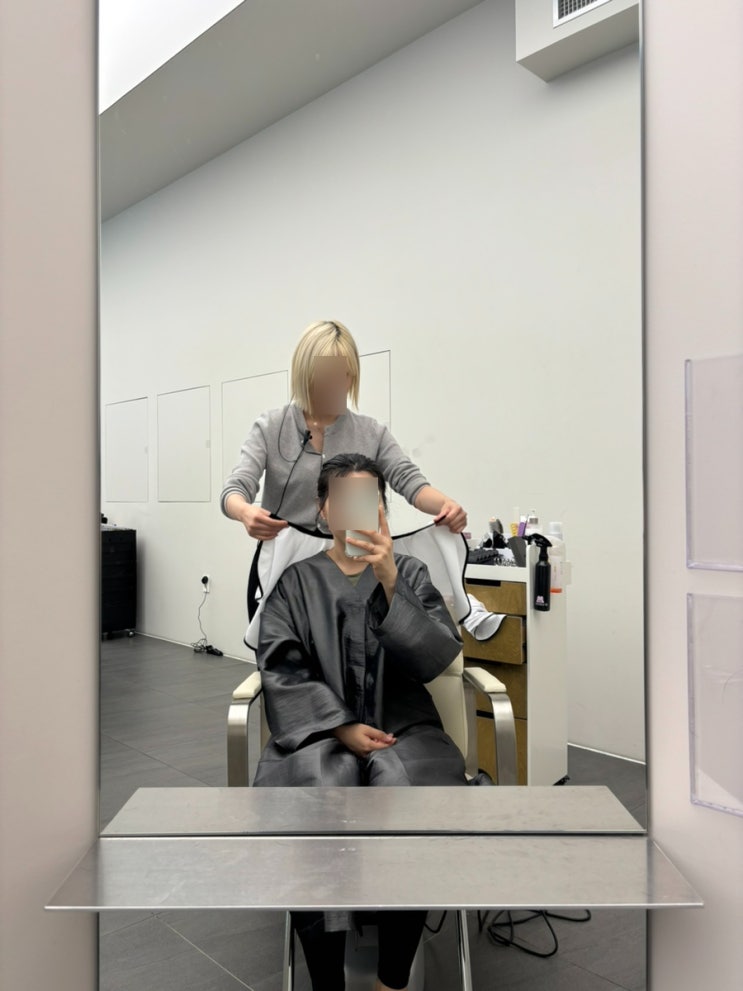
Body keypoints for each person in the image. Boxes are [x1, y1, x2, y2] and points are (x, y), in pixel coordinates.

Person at [253, 453, 468, 991]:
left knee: (407, 790)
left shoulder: (410, 573)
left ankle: (392, 978)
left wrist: (390, 580)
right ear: (324, 510)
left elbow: (435, 657)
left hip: (403, 725)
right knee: (319, 791)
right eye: (344, 500)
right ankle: (326, 979)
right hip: (318, 730)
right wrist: (340, 726)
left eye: (369, 500)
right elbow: (281, 666)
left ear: (381, 509)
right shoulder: (297, 583)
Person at [220, 319, 467, 540]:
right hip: (285, 562)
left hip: (352, 563)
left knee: (357, 486)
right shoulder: (270, 427)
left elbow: (409, 480)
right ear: (305, 374)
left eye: (344, 375)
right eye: (325, 376)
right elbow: (236, 488)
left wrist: (446, 505)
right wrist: (245, 512)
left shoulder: (372, 434)